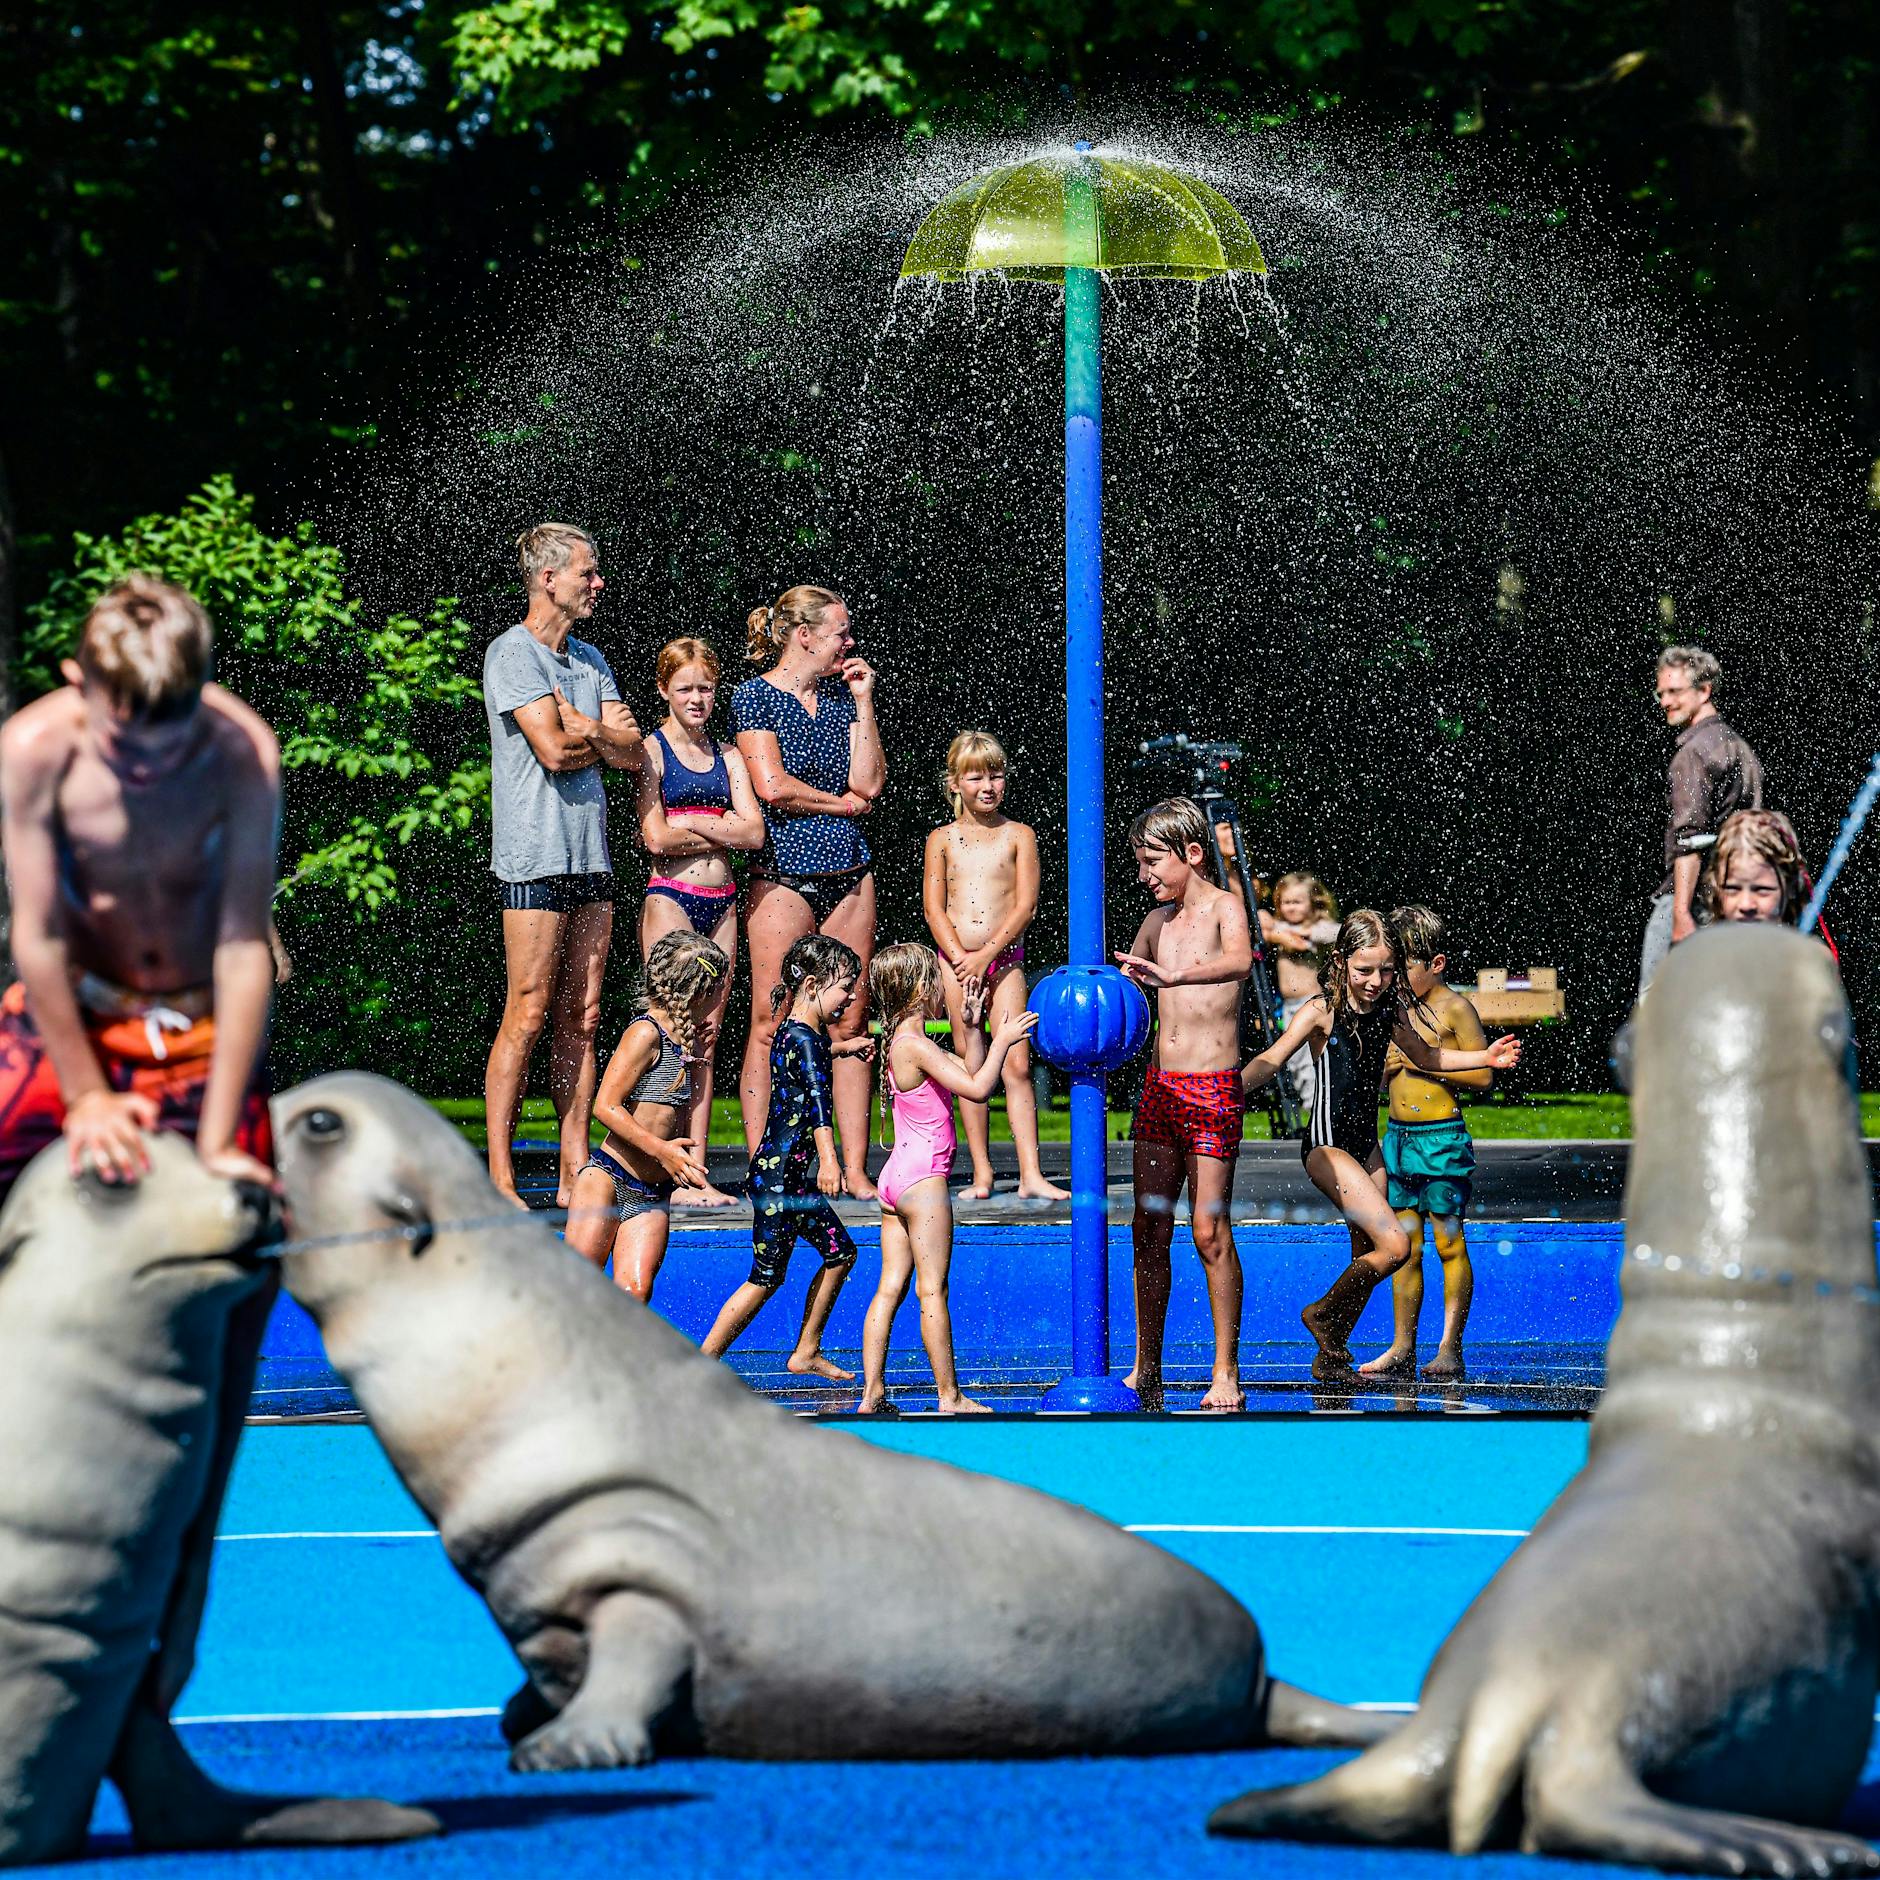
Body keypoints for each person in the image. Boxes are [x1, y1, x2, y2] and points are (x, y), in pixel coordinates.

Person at [0, 577, 280, 1199]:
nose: (148, 769)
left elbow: (242, 949)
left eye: (173, 747)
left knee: (250, 1203)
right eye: (122, 746)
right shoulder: (32, 751)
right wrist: (87, 1096)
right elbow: (38, 937)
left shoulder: (244, 754)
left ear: (203, 693)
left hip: (198, 1023)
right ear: (79, 683)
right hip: (78, 1012)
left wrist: (218, 1143)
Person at [1241, 909, 1521, 1380]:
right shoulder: (1321, 1011)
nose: (1375, 980)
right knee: (1395, 1247)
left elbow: (1428, 1055)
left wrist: (1483, 1055)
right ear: (1340, 963)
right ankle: (1322, 1314)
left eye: (1387, 970)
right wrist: (1228, 1089)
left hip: (1365, 1146)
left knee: (1364, 1251)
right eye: (1364, 970)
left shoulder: (1389, 1012)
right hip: (1326, 1146)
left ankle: (1330, 1359)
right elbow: (1271, 1060)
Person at [483, 523, 643, 1208]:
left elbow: (635, 753)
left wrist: (592, 729)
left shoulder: (590, 659)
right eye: (588, 571)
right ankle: (499, 1174)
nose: (597, 582)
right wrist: (592, 733)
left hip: (590, 855)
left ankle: (578, 1164)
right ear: (549, 578)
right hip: (534, 854)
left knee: (583, 1012)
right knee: (527, 1009)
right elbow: (552, 749)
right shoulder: (512, 653)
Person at [731, 587, 885, 1198]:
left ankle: (851, 1167)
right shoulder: (753, 696)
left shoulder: (844, 701)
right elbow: (770, 785)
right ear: (805, 635)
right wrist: (839, 803)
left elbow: (869, 783)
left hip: (849, 869)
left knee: (850, 1017)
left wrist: (865, 703)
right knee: (772, 1019)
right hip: (784, 872)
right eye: (841, 633)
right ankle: (765, 1162)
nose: (849, 644)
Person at [1113, 797, 1255, 1413]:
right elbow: (1123, 977)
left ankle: (1226, 1370)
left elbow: (1241, 961)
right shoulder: (1155, 922)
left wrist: (1174, 977)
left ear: (1191, 853)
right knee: (1148, 1227)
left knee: (1208, 1229)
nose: (1144, 876)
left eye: (1152, 862)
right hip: (1161, 1090)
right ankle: (1147, 1364)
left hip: (1213, 1088)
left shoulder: (1226, 909)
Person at [855, 943, 1040, 1417]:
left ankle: (872, 1391)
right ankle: (949, 1395)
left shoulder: (905, 1042)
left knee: (890, 1287)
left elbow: (971, 1072)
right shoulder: (916, 1046)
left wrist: (976, 1028)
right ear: (922, 988)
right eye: (936, 980)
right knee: (932, 1289)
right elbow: (980, 1089)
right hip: (923, 1183)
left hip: (896, 1179)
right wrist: (1004, 1038)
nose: (944, 987)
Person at [700, 934, 872, 1379]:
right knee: (765, 1278)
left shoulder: (794, 1032)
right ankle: (701, 1366)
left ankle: (806, 1350)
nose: (852, 996)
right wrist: (830, 1161)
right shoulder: (808, 1040)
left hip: (782, 1179)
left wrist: (843, 1048)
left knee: (841, 1253)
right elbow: (818, 1102)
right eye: (846, 987)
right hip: (780, 1182)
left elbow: (806, 1060)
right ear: (813, 984)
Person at [635, 637, 766, 1206]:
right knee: (669, 1034)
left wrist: (697, 821)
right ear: (664, 689)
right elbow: (655, 836)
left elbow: (754, 833)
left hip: (723, 902)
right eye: (686, 688)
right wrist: (721, 823)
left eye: (706, 688)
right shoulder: (652, 749)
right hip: (672, 896)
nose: (697, 698)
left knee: (707, 1037)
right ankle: (654, 1163)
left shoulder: (730, 756)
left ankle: (697, 1170)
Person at [922, 730, 1067, 1201]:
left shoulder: (1019, 835)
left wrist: (985, 956)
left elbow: (1025, 906)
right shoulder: (941, 839)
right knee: (972, 1061)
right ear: (955, 783)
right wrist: (962, 959)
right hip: (956, 962)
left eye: (997, 775)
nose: (988, 785)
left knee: (1018, 1064)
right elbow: (934, 908)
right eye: (976, 777)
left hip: (1004, 961)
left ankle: (1031, 1172)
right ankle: (982, 1171)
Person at [1357, 906, 1491, 1382]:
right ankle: (1402, 1345)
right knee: (1406, 1247)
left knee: (1449, 1242)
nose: (1392, 978)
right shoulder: (1391, 1014)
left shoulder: (1455, 1008)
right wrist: (1385, 1073)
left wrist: (1419, 1063)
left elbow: (1483, 1074)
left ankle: (1450, 1346)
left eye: (1402, 968)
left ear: (1436, 963)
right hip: (1399, 1140)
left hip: (1442, 1142)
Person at [564, 929, 729, 1301]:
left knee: (635, 1292)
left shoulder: (684, 1040)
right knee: (576, 1288)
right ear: (700, 991)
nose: (721, 999)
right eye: (719, 990)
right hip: (607, 1177)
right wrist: (663, 1150)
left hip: (652, 1191)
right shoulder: (645, 1033)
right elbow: (605, 1105)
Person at [1640, 644, 1763, 995]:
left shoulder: (1693, 754)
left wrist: (1680, 913)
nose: (1665, 701)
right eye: (1661, 692)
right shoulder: (1739, 747)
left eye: (1675, 691)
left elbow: (1689, 841)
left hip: (1691, 901)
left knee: (1655, 1014)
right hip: (1730, 901)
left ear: (1704, 690)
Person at [1264, 871, 1340, 1116]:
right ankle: (1313, 1104)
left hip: (1314, 1003)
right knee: (1295, 1059)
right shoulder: (1279, 928)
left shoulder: (1319, 929)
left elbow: (1340, 931)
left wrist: (1307, 935)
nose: (1291, 907)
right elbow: (1260, 921)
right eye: (1286, 902)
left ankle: (1322, 1103)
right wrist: (1281, 935)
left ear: (1313, 902)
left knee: (1313, 1056)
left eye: (1297, 902)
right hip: (1289, 1006)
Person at [1696, 808, 1808, 927]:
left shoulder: (1805, 945)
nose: (1746, 905)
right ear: (1715, 887)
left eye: (1762, 890)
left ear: (1791, 885)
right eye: (1732, 889)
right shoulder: (1703, 945)